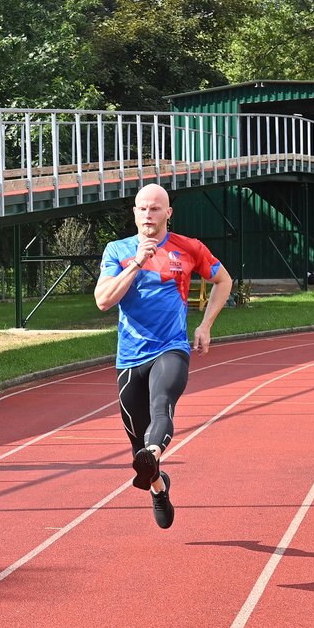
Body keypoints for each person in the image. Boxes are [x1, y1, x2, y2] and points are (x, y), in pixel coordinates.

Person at [94, 183, 232, 529]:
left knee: (162, 405)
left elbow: (223, 280)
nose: (148, 215)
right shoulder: (118, 251)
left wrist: (205, 326)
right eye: (142, 209)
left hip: (170, 347)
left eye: (155, 209)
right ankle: (158, 485)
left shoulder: (188, 248)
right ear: (135, 213)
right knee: (137, 441)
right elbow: (103, 300)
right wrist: (138, 263)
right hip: (129, 358)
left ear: (168, 213)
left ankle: (154, 455)